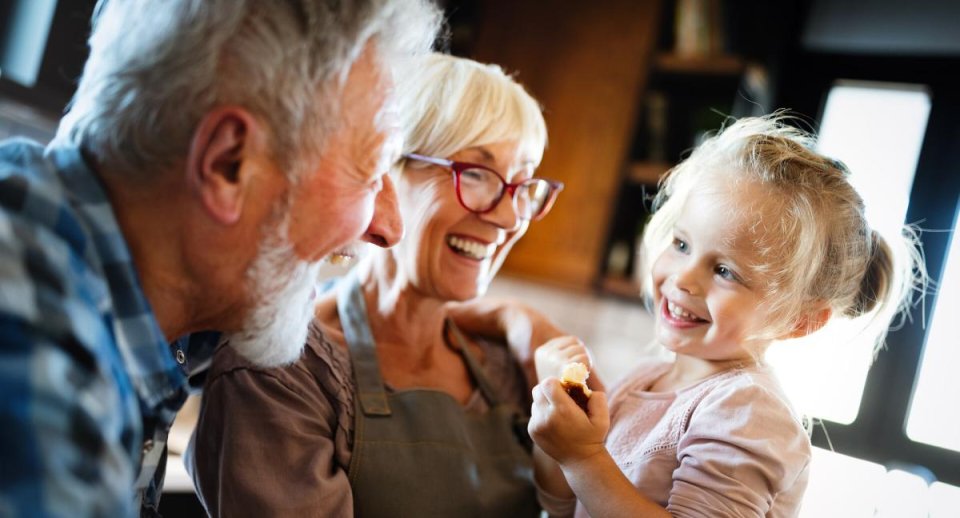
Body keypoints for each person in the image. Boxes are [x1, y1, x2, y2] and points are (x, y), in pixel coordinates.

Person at [0, 0, 440, 515]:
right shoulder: (34, 361)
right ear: (230, 164)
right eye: (370, 169)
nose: (389, 227)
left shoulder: (154, 295)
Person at [187, 53, 566, 517]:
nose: (508, 218)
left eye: (523, 186)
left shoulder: (515, 368)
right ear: (386, 170)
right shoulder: (280, 366)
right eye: (475, 174)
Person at [528, 113, 924, 517]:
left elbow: (585, 473)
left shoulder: (749, 410)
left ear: (798, 322)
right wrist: (557, 435)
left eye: (725, 272)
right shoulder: (644, 379)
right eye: (681, 244)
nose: (683, 278)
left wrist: (584, 458)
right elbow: (562, 505)